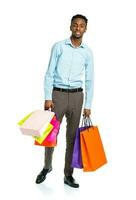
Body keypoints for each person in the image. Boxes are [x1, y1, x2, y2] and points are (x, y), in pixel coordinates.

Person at [36, 14, 94, 188]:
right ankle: (47, 167)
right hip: (58, 95)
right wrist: (47, 97)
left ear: (85, 29)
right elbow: (49, 73)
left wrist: (88, 105)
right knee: (50, 134)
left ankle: (68, 175)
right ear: (70, 27)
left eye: (81, 26)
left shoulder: (87, 52)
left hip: (77, 97)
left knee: (72, 137)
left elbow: (90, 80)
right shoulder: (59, 47)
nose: (78, 28)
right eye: (75, 25)